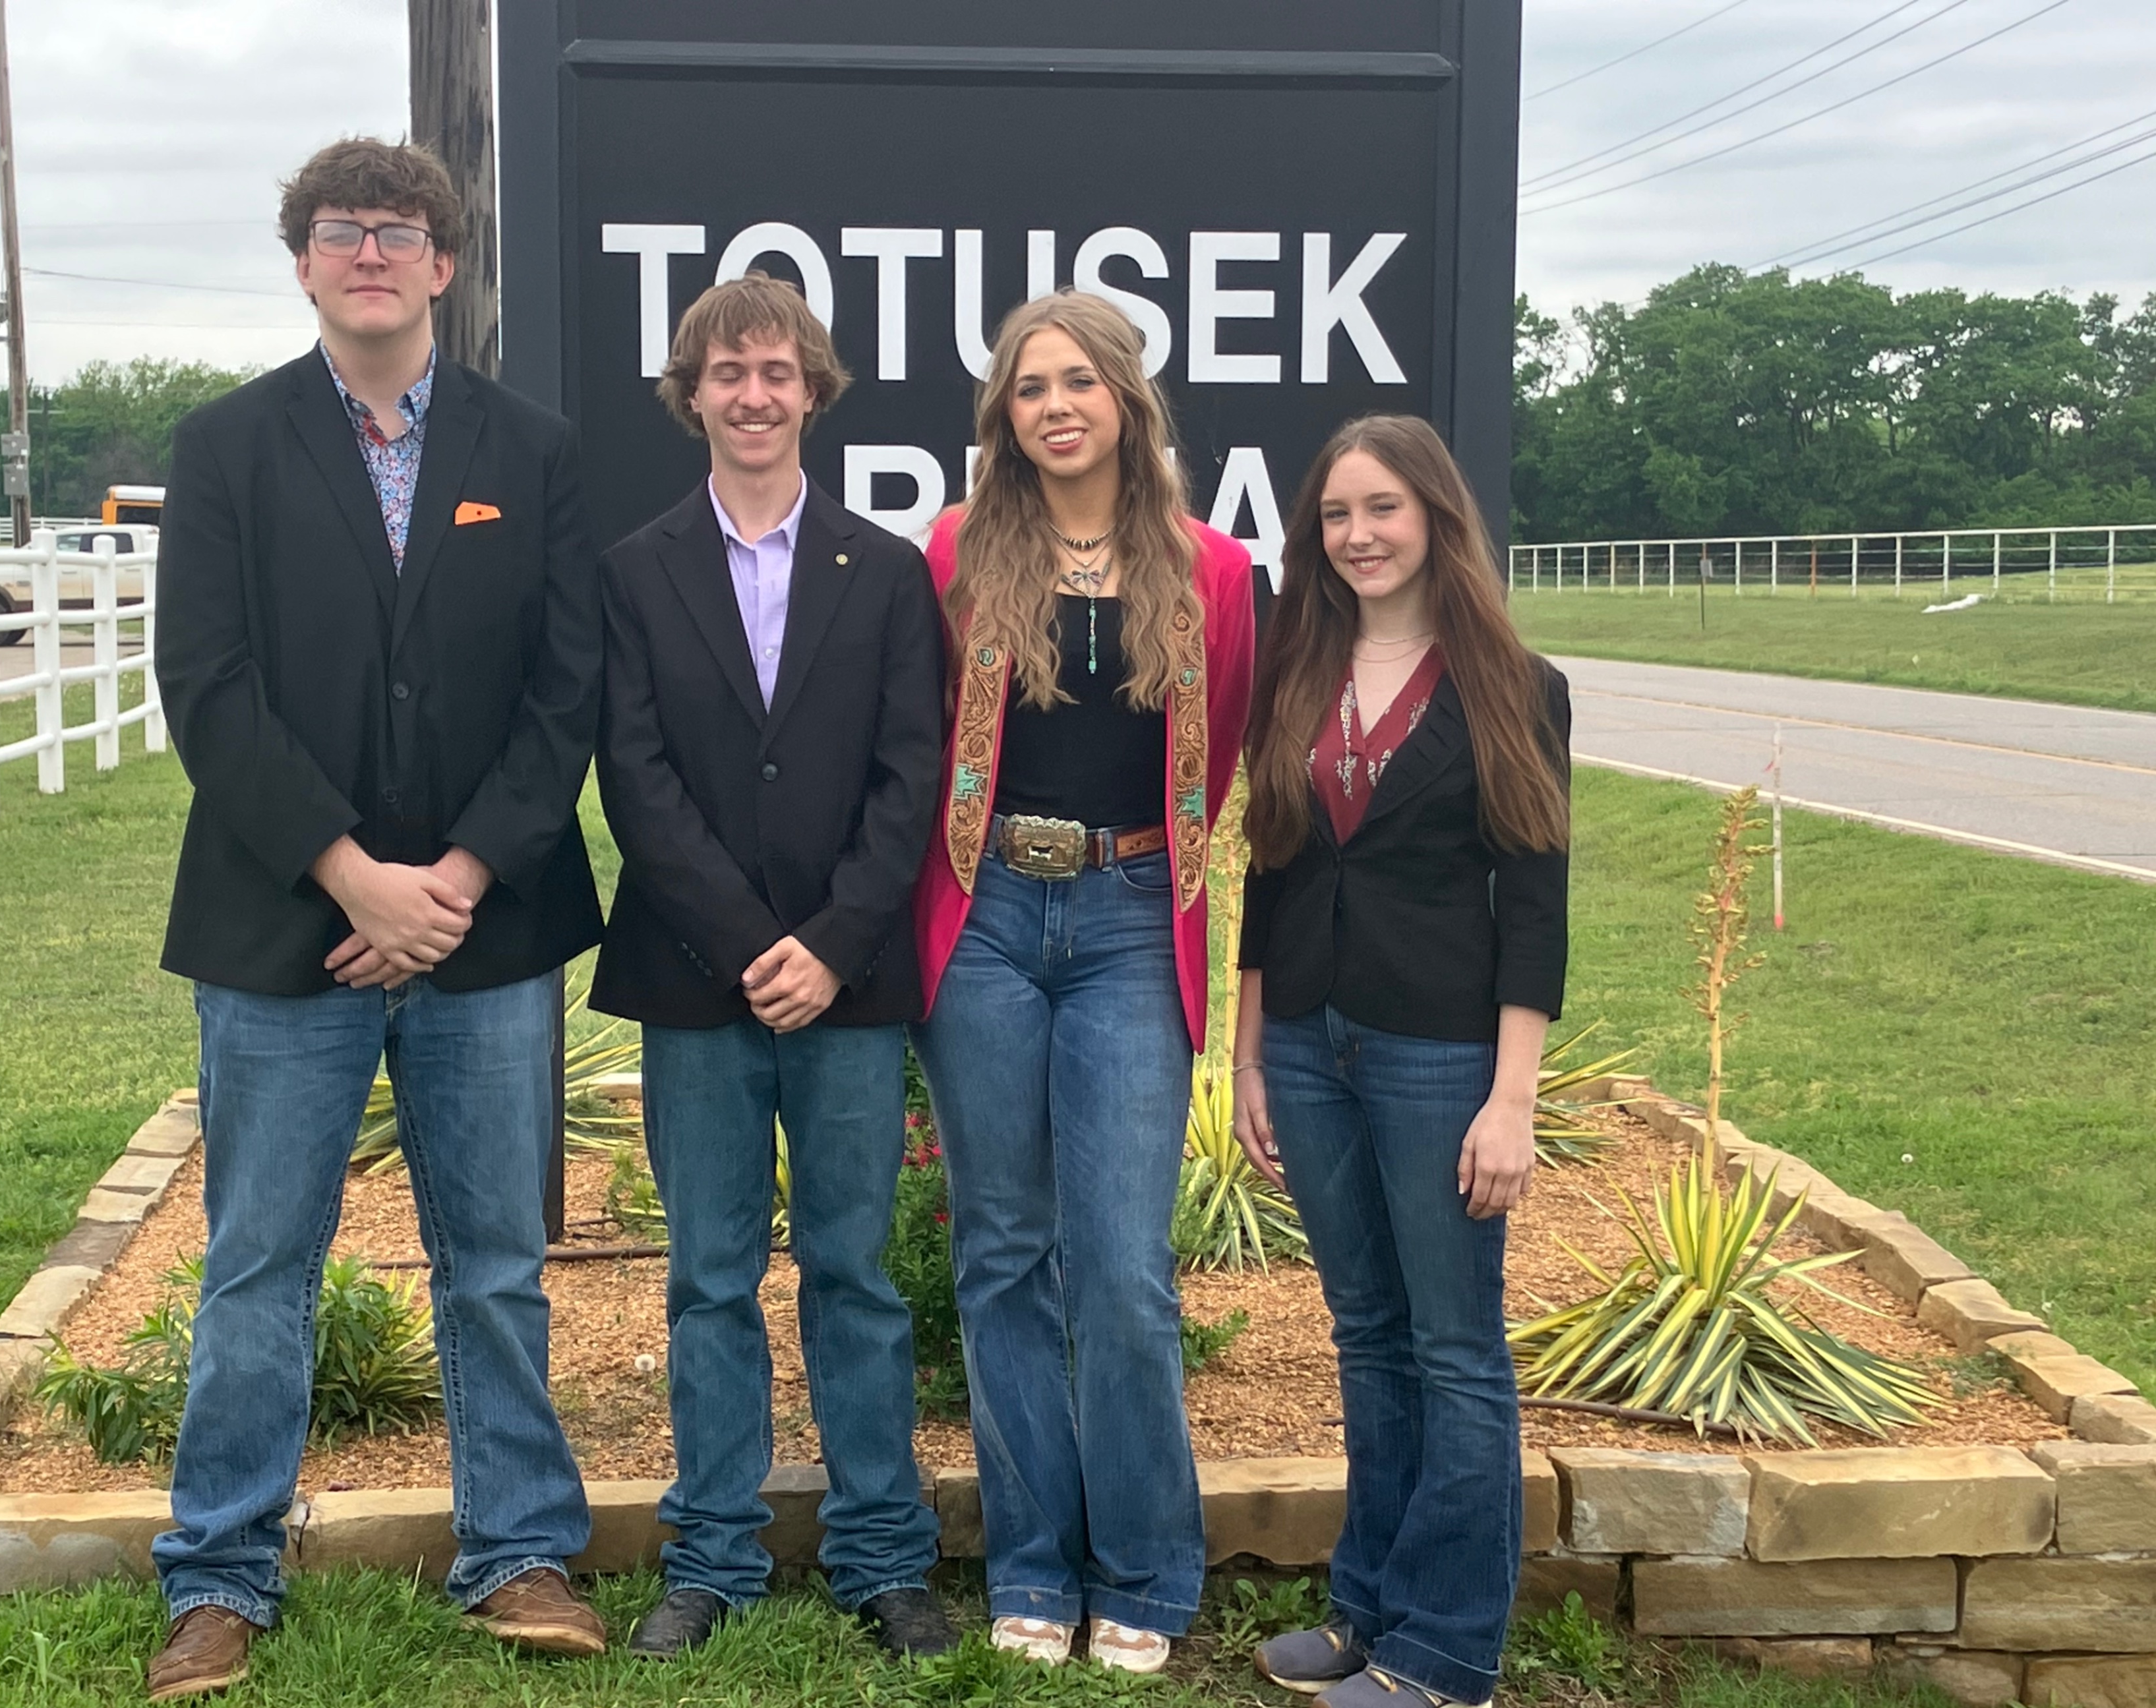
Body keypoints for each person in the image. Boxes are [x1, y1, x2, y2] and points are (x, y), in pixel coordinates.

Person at [148, 138, 609, 1700]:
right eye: (339, 232)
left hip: (485, 930)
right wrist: (351, 874)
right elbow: (208, 691)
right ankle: (219, 1570)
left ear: (444, 262)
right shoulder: (224, 450)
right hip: (288, 926)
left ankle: (523, 1550)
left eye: (397, 231)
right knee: (258, 1261)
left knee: (494, 1257)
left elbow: (567, 689)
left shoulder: (530, 451)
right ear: (303, 261)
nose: (369, 253)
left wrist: (459, 881)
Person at [590, 272, 955, 1660]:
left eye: (778, 370)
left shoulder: (887, 569)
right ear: (692, 396)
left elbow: (910, 774)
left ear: (816, 390)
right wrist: (755, 948)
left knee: (855, 1273)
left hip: (851, 987)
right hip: (697, 983)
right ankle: (716, 1556)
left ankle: (880, 1556)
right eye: (727, 372)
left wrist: (836, 941)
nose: (753, 394)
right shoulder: (636, 570)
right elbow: (635, 777)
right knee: (708, 1276)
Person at [908, 289, 1255, 1674]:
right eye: (1030, 386)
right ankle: (1033, 1568)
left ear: (1126, 398)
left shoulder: (1214, 571)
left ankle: (1150, 1570)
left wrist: (1144, 871)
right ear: (1005, 412)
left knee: (1120, 1268)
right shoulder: (954, 553)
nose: (1056, 406)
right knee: (1001, 1256)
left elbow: (1217, 754)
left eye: (1079, 382)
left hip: (1125, 916)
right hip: (983, 912)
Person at [1232, 415, 1570, 1708]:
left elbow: (1535, 905)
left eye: (1382, 509)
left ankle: (1448, 1654)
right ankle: (1367, 1615)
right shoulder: (1299, 670)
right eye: (1334, 515)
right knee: (1367, 1332)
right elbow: (1271, 870)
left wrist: (1512, 1097)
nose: (1358, 536)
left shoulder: (1513, 686)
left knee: (1455, 1348)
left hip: (1441, 1053)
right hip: (1311, 1043)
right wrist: (1254, 1058)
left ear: (1434, 515)